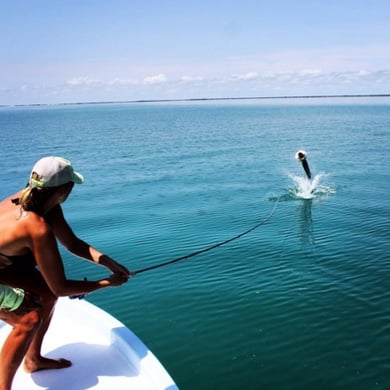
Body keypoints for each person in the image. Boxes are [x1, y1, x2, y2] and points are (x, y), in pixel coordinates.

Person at [0, 156, 131, 390]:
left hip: (5, 265)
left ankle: (33, 360)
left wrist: (108, 262)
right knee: (28, 320)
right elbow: (60, 287)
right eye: (71, 186)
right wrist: (106, 283)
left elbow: (72, 243)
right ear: (63, 190)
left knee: (45, 294)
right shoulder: (36, 226)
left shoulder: (41, 203)